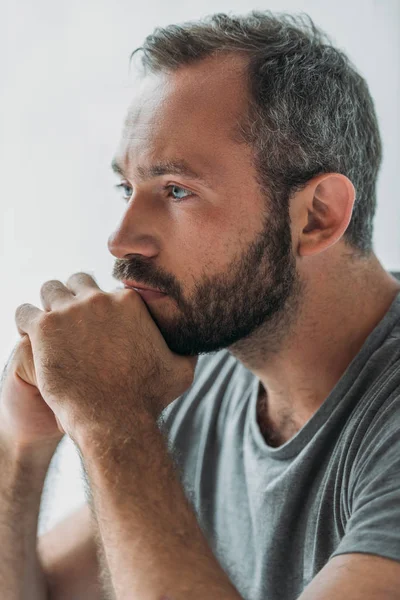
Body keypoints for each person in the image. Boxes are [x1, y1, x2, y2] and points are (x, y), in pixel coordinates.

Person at [1, 9, 399, 600]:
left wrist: (112, 416)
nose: (120, 239)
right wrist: (23, 444)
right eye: (126, 188)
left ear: (316, 216)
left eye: (177, 190)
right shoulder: (206, 370)